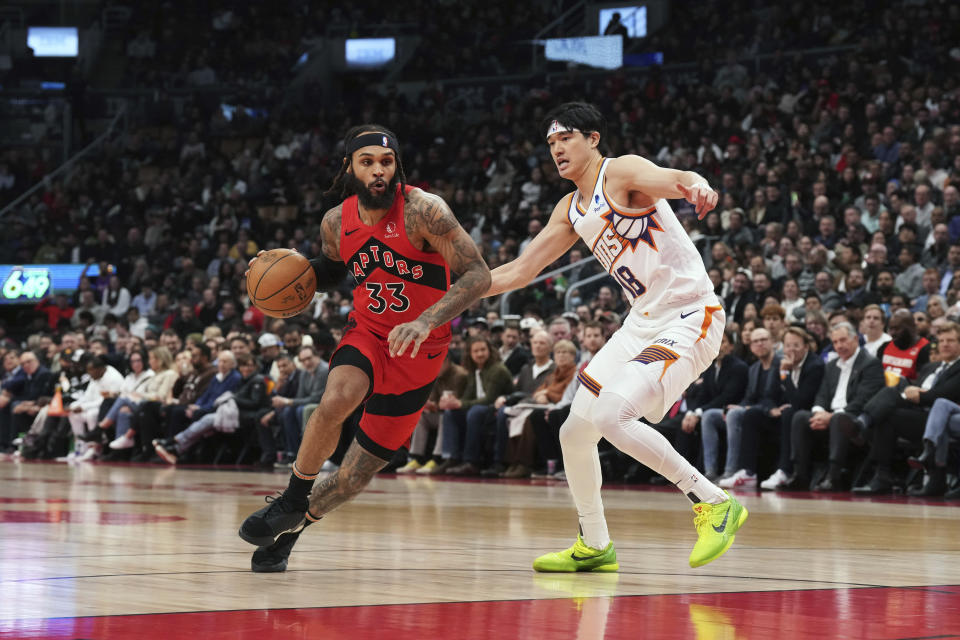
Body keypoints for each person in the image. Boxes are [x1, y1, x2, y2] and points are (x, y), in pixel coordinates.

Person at [483, 102, 747, 572]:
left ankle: (713, 502)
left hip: (690, 315)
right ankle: (596, 543)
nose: (557, 149)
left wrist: (698, 185)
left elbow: (676, 177)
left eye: (565, 138)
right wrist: (451, 293)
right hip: (640, 322)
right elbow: (521, 270)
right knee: (573, 433)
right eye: (550, 143)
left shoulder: (620, 172)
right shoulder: (570, 208)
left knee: (611, 414)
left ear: (593, 139)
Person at [238, 125, 491, 572]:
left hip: (421, 350)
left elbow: (477, 275)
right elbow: (336, 268)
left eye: (387, 162)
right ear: (350, 167)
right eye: (368, 161)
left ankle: (291, 534)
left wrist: (426, 318)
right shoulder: (335, 222)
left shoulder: (424, 211)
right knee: (337, 396)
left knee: (354, 476)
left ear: (398, 167)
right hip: (369, 333)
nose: (379, 171)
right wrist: (292, 275)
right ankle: (292, 498)